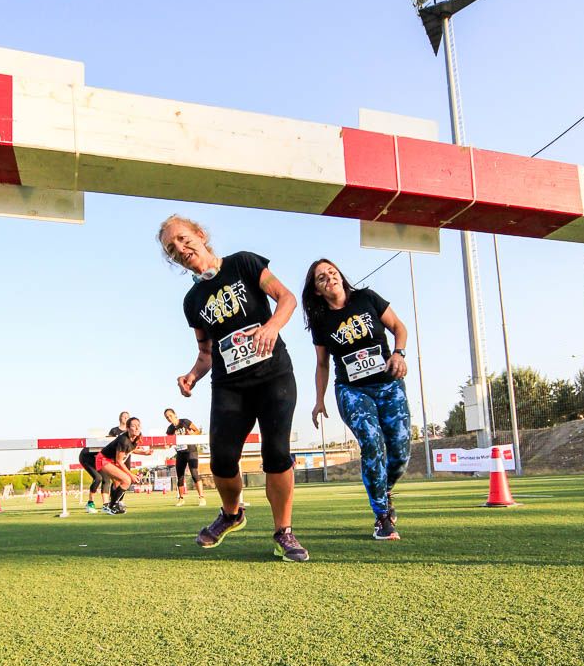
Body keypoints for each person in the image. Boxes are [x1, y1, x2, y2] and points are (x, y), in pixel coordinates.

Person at [157, 214, 308, 562]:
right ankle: (231, 513)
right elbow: (206, 351)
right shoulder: (192, 301)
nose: (180, 249)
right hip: (230, 385)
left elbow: (286, 298)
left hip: (274, 376)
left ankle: (283, 532)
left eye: (182, 239)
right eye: (171, 248)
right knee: (222, 459)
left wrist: (270, 327)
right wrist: (192, 375)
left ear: (199, 234)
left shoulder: (243, 262)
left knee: (276, 453)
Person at [302, 258, 411, 541]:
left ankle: (385, 490)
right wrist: (319, 400)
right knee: (372, 443)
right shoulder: (321, 320)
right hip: (353, 391)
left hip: (388, 385)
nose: (329, 278)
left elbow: (399, 327)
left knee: (400, 451)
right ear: (316, 290)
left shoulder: (366, 298)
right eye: (321, 278)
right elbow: (323, 364)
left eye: (332, 272)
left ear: (340, 275)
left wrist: (399, 354)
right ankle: (382, 517)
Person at [97, 417, 143, 515]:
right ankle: (111, 506)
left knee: (119, 483)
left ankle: (112, 505)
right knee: (127, 480)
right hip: (103, 460)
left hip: (111, 460)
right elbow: (119, 461)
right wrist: (131, 475)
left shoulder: (136, 437)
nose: (137, 428)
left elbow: (130, 450)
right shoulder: (124, 440)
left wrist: (145, 453)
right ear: (127, 428)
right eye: (133, 426)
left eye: (138, 425)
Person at [164, 408, 207, 507]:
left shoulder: (185, 422)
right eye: (167, 417)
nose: (169, 418)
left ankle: (202, 497)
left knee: (194, 473)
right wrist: (167, 445)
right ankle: (181, 499)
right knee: (180, 476)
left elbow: (197, 431)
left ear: (175, 414)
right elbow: (169, 443)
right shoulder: (170, 429)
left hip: (191, 450)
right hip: (180, 453)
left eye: (170, 415)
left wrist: (192, 434)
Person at [78, 428, 117, 513]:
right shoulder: (106, 441)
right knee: (98, 478)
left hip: (98, 458)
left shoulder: (117, 444)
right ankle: (90, 503)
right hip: (86, 457)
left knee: (106, 479)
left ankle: (106, 505)